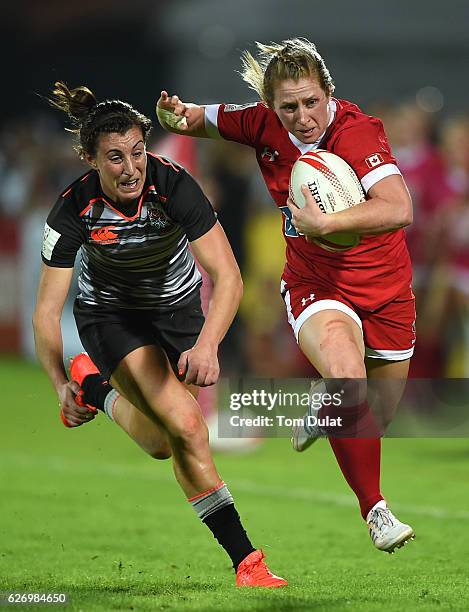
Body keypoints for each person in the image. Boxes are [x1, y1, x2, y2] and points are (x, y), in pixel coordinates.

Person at [155, 38, 416, 553]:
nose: (302, 116)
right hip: (316, 286)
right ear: (272, 106)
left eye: (311, 102)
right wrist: (175, 115)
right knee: (348, 380)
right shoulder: (260, 124)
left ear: (328, 93)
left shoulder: (359, 132)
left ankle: (326, 405)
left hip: (387, 293)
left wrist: (328, 221)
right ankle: (376, 512)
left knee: (370, 418)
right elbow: (197, 120)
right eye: (288, 106)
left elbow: (399, 206)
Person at [32, 81, 287, 588]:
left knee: (161, 442)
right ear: (89, 158)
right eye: (115, 158)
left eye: (137, 152)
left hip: (179, 311)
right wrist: (56, 383)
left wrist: (208, 343)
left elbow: (228, 275)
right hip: (113, 319)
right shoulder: (71, 211)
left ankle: (96, 390)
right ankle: (247, 561)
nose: (131, 169)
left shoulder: (174, 186)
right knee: (190, 427)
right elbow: (45, 311)